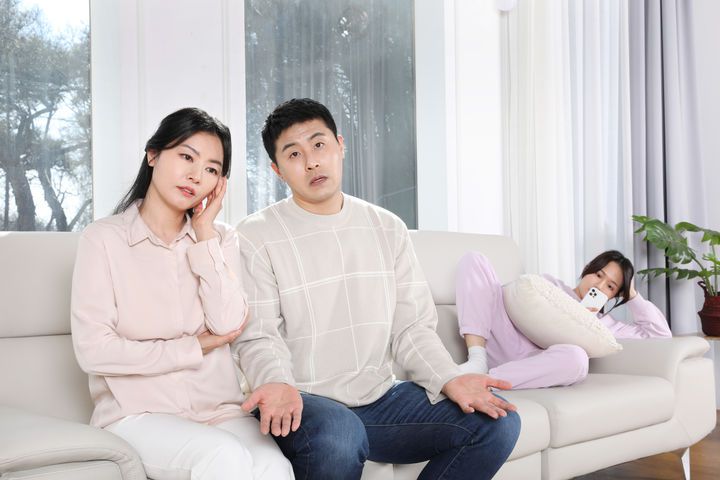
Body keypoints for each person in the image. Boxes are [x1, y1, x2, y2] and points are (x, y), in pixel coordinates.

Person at [233, 98, 521, 480]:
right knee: (340, 433)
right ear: (277, 170)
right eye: (294, 154)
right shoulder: (255, 235)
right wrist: (276, 383)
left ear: (340, 146)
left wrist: (449, 378)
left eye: (319, 145)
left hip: (378, 399)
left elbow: (411, 328)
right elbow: (259, 335)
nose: (312, 162)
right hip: (299, 399)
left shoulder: (387, 227)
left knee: (496, 422)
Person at [71, 107, 293, 480]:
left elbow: (227, 322)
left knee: (274, 466)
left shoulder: (220, 238)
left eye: (211, 169)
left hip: (218, 410)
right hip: (138, 414)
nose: (196, 175)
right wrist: (194, 347)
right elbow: (94, 350)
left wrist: (204, 233)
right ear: (153, 155)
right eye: (187, 157)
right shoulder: (103, 239)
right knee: (222, 456)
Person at [456, 250, 673, 389]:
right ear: (587, 270)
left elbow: (660, 335)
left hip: (531, 362)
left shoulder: (604, 325)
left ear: (614, 296)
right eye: (598, 275)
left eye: (610, 286)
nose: (599, 286)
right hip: (501, 337)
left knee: (577, 359)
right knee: (475, 259)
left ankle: (488, 380)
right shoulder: (550, 285)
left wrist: (632, 295)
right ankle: (477, 359)